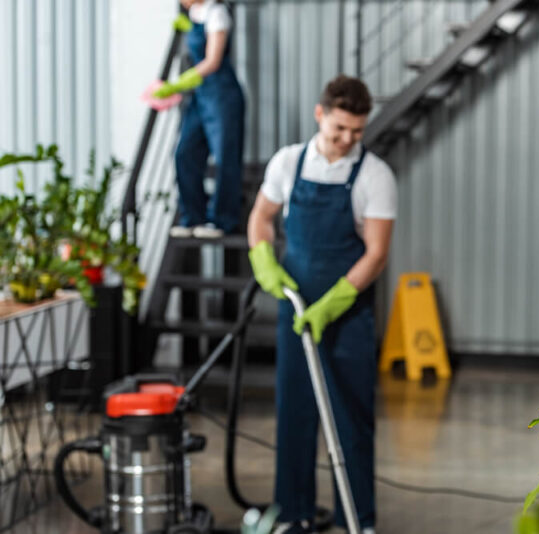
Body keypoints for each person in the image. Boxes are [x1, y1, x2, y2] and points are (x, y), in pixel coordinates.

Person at [247, 75, 397, 534]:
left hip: (346, 314)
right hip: (296, 311)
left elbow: (376, 252)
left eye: (357, 131)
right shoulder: (288, 163)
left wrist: (336, 302)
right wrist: (263, 260)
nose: (348, 139)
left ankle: (360, 522)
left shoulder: (374, 174)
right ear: (320, 115)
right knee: (295, 414)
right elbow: (262, 217)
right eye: (339, 130)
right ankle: (294, 516)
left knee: (350, 417)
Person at [154, 0, 245, 239]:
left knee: (225, 157)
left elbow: (213, 61)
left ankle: (222, 220)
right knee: (185, 153)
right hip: (200, 97)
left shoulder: (217, 13)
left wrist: (179, 83)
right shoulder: (193, 13)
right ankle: (192, 217)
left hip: (222, 94)